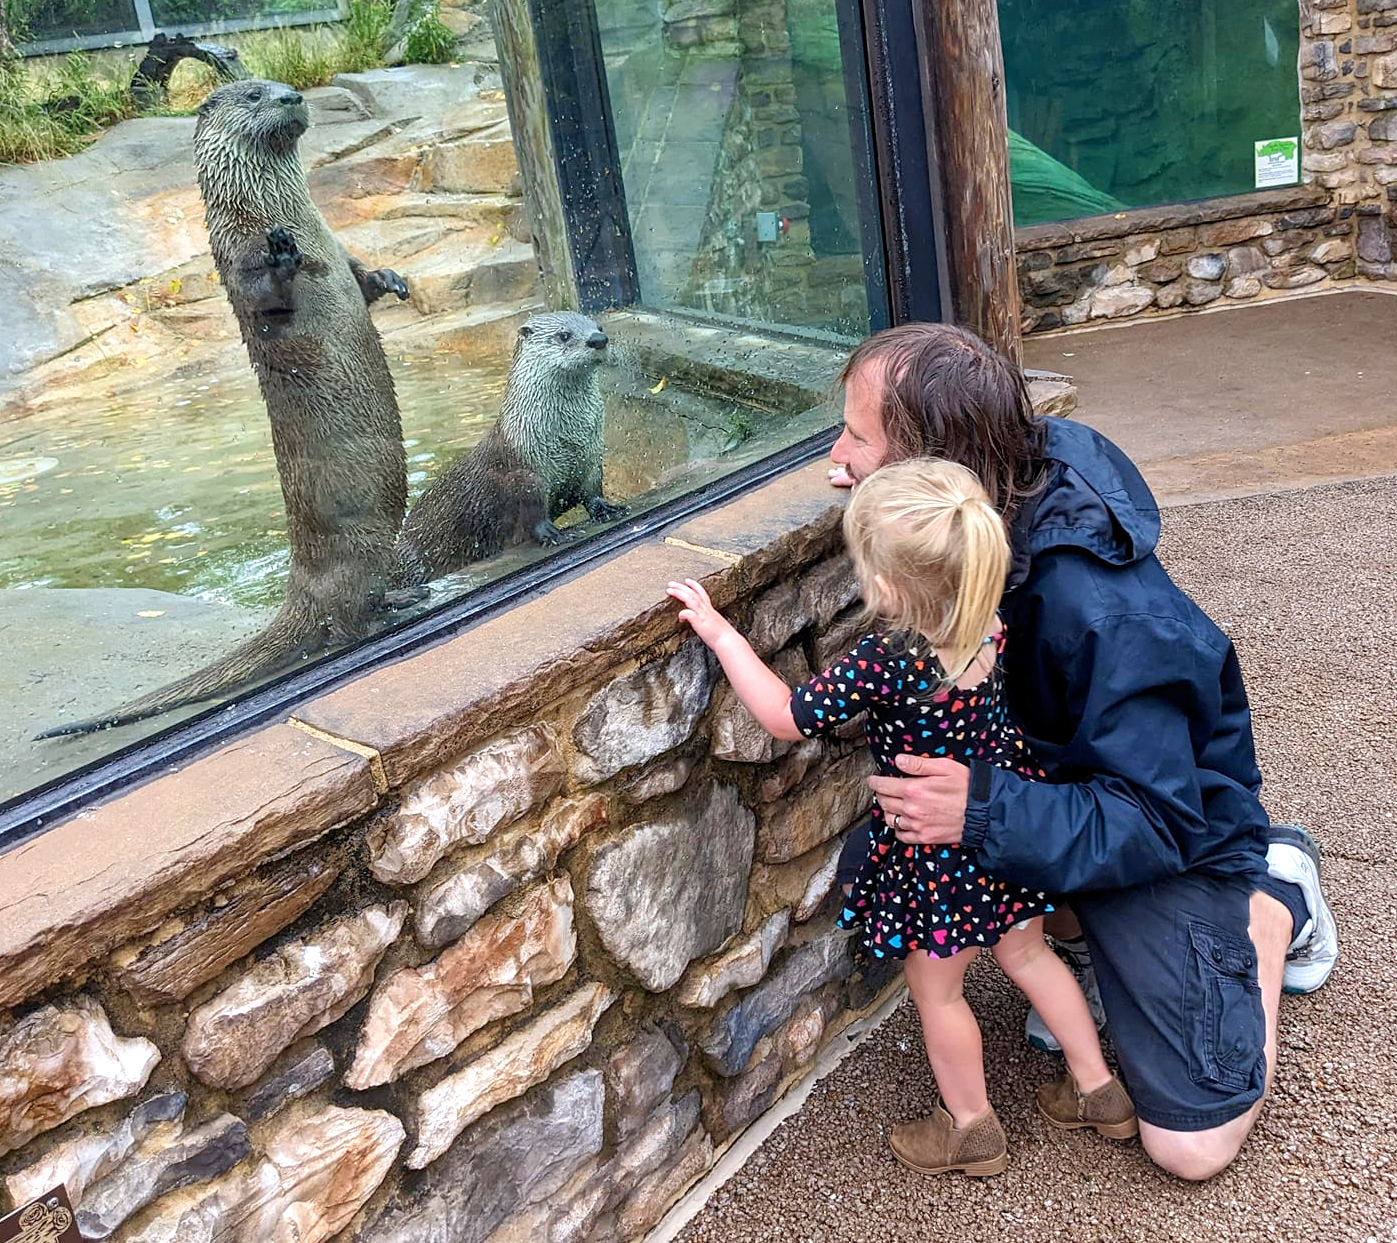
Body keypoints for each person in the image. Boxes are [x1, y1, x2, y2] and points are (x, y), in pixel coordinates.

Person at [827, 322, 1338, 1181]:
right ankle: (1081, 934)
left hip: (1172, 828)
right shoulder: (973, 519)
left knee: (1187, 1145)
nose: (834, 460)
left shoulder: (1095, 606)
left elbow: (1161, 811)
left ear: (934, 466)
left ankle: (1273, 900)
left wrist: (981, 809)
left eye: (857, 438)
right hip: (1062, 790)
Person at [667, 458, 1137, 1179]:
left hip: (935, 853)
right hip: (1000, 817)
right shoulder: (988, 615)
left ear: (884, 587)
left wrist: (723, 635)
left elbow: (788, 717)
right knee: (1030, 955)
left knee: (938, 989)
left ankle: (971, 1126)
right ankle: (1098, 1090)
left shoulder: (887, 658)